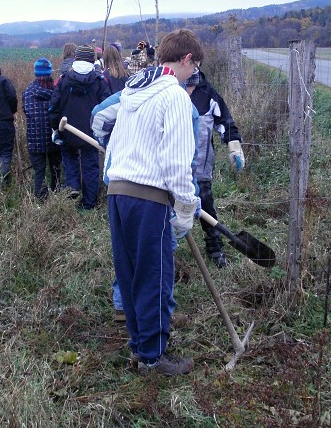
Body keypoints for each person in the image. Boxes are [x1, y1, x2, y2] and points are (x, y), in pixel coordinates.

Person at [103, 28, 203, 376]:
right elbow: (176, 161)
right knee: (155, 278)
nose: (194, 75)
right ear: (187, 59)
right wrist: (186, 207)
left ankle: (140, 346)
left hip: (118, 194)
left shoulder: (133, 91)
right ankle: (153, 358)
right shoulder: (174, 96)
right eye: (195, 67)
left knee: (130, 275)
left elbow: (113, 142)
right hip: (149, 200)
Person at [186, 67, 245, 267]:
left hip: (201, 165)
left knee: (205, 204)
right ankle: (166, 246)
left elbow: (225, 121)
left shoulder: (208, 93)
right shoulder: (170, 90)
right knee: (168, 208)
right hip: (172, 166)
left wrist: (234, 145)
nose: (190, 89)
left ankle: (215, 247)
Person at [50, 45, 110, 210]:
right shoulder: (99, 80)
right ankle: (89, 202)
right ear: (93, 60)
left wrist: (55, 129)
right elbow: (106, 108)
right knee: (90, 165)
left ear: (76, 59)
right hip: (91, 134)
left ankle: (73, 187)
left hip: (68, 129)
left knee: (69, 159)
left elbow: (54, 107)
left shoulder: (63, 79)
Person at [22, 58, 62, 200]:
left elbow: (26, 111)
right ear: (50, 72)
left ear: (36, 73)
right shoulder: (57, 91)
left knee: (39, 171)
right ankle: (56, 193)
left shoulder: (27, 93)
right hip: (53, 138)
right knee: (55, 169)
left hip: (35, 139)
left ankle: (40, 196)